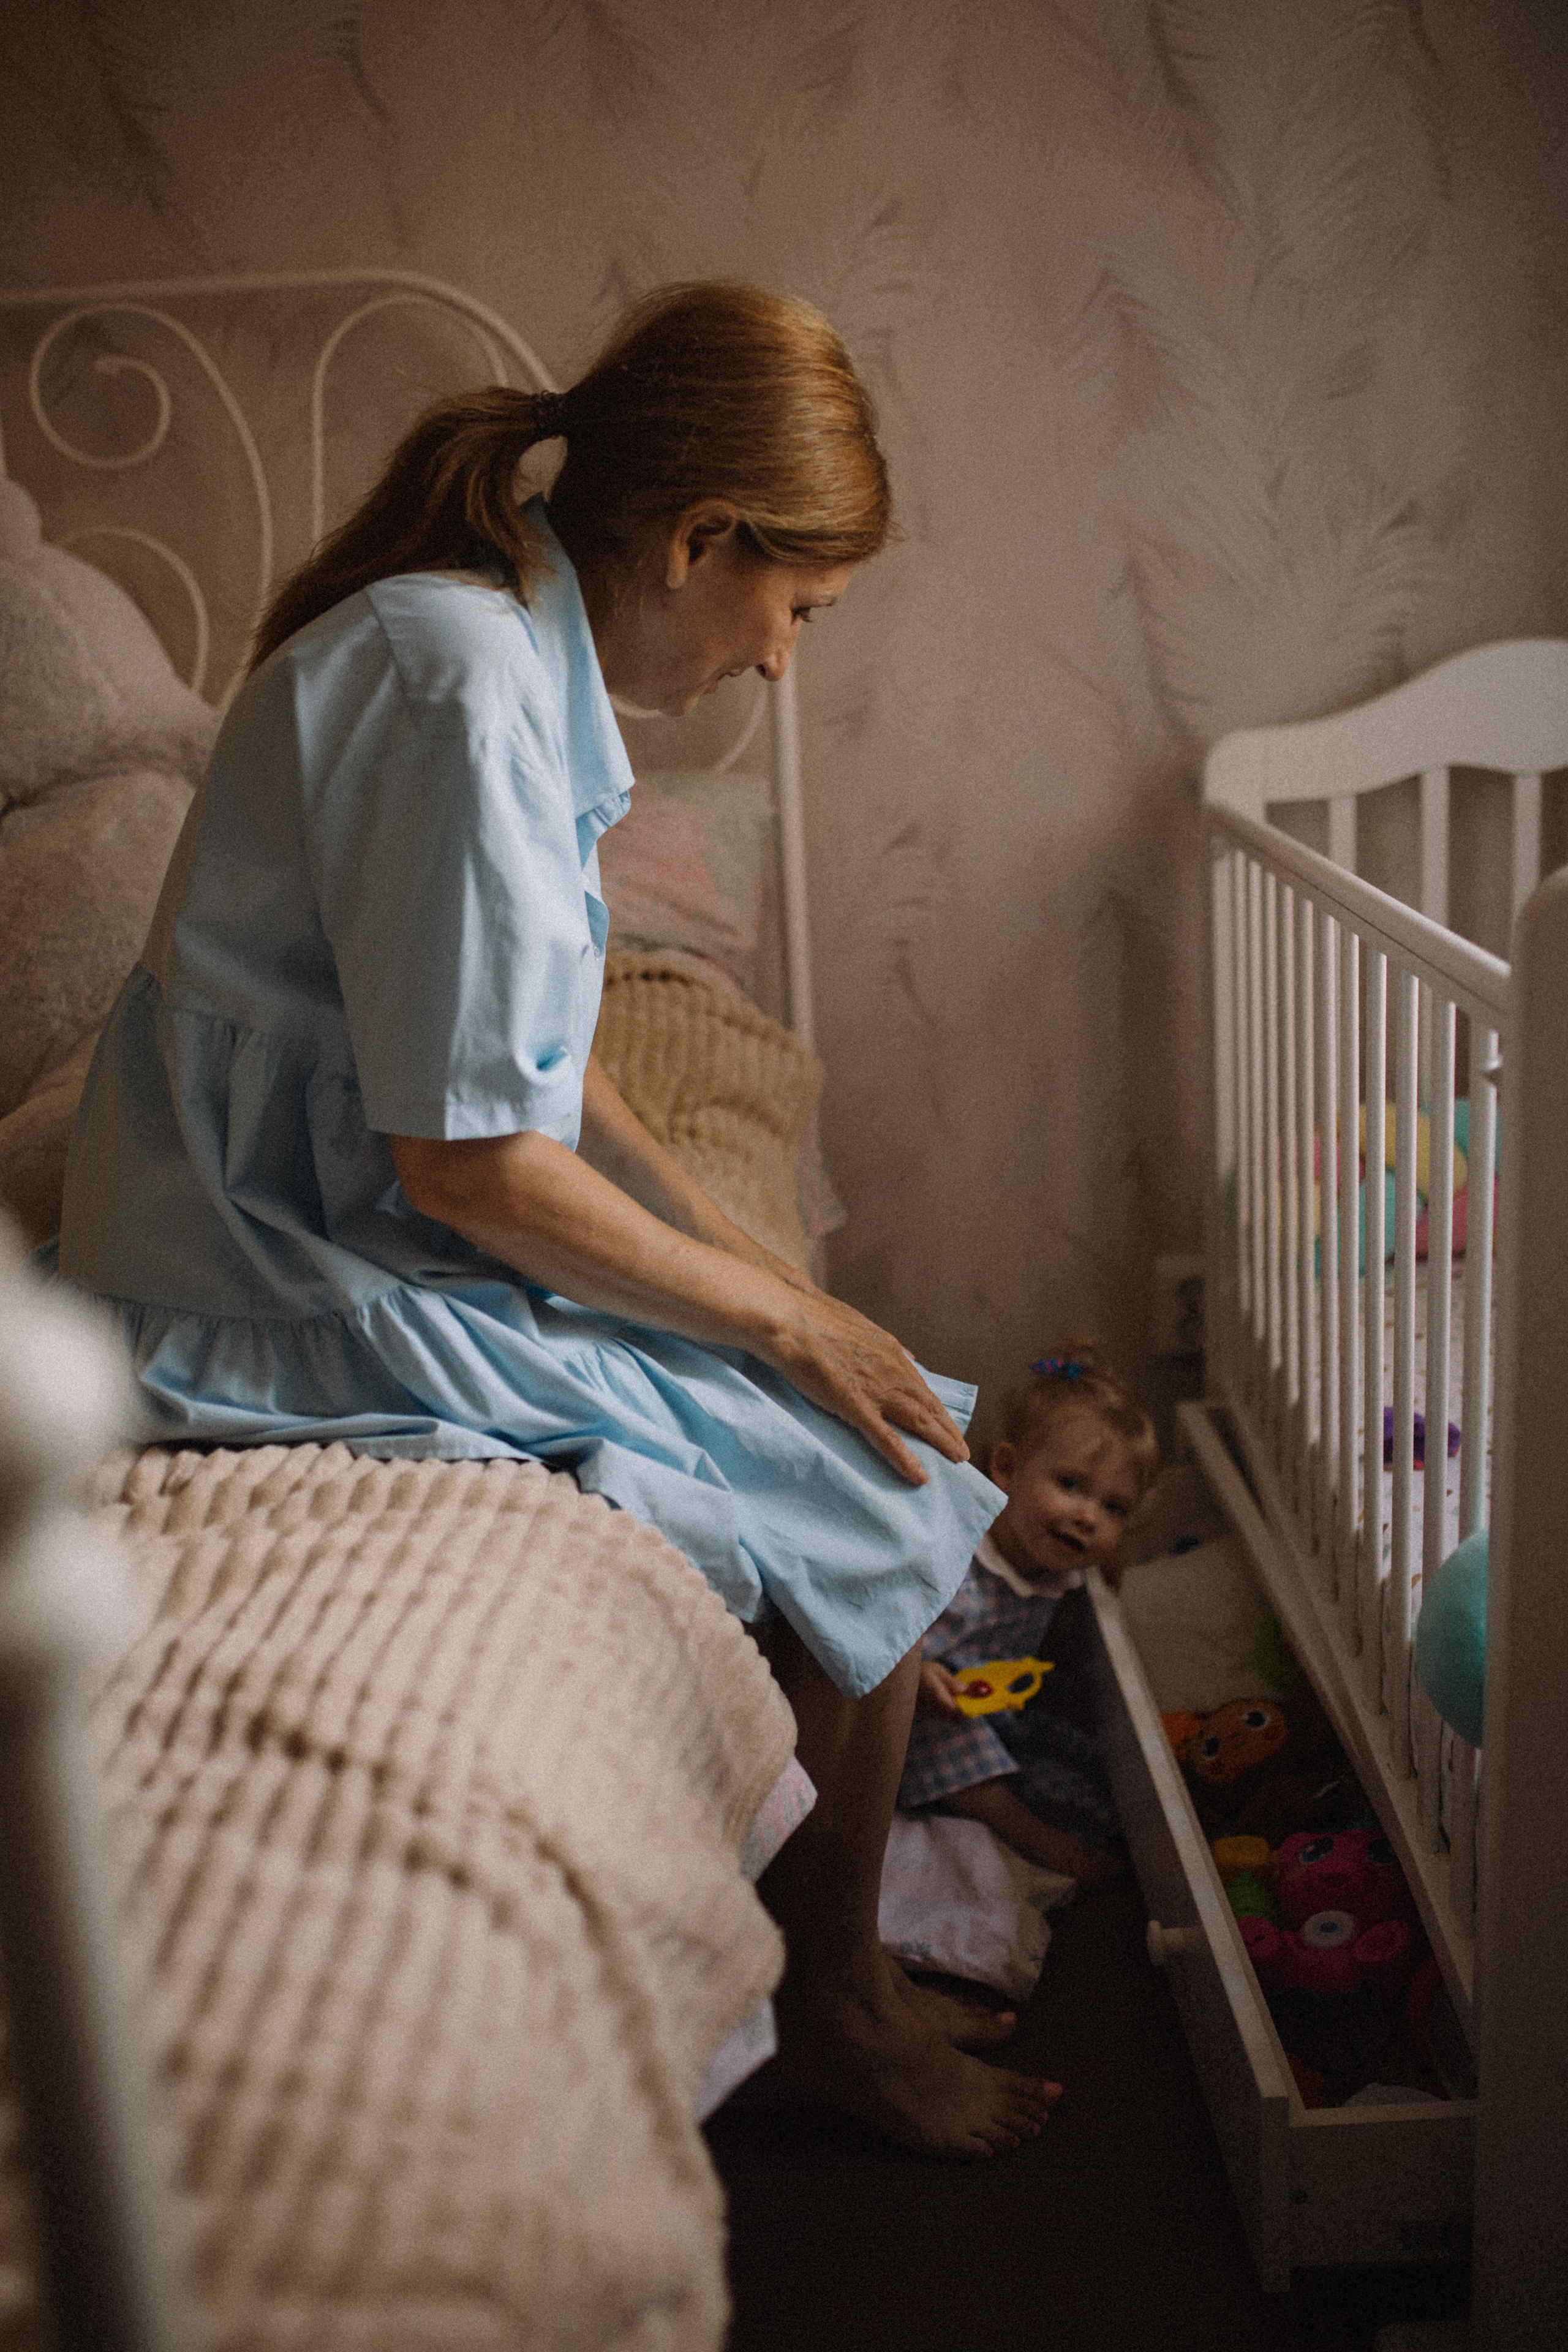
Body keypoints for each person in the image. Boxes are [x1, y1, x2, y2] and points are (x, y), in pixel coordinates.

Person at [58, 281, 1060, 2159]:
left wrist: (742, 1261)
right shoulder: (451, 681)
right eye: (798, 612)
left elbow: (534, 1055)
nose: (780, 666)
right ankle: (829, 1997)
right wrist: (770, 1324)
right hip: (254, 1244)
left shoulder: (512, 658)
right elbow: (466, 1162)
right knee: (867, 1461)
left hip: (355, 1178)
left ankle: (818, 1964)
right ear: (700, 541)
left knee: (879, 1432)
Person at [900, 1351, 1158, 1884]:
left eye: (1114, 1508)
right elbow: (885, 1620)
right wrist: (916, 1674)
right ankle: (1045, 1846)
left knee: (1082, 1752)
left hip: (992, 1707)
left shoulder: (1054, 1554)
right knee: (983, 1783)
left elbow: (1095, 1539)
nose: (1088, 1517)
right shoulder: (956, 1552)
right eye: (1070, 1485)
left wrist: (1110, 1551)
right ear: (1007, 1469)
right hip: (917, 1718)